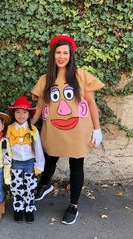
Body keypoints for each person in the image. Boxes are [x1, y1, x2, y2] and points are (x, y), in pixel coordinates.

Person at [31, 34, 104, 225]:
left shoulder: (81, 75)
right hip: (54, 128)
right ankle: (45, 184)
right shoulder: (46, 78)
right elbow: (39, 107)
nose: (62, 56)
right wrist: (28, 125)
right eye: (58, 52)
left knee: (76, 165)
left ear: (71, 55)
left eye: (65, 52)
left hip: (78, 130)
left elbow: (91, 104)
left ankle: (73, 205)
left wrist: (97, 129)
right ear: (53, 55)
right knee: (49, 159)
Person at [7, 96, 45, 223]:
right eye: (18, 112)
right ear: (14, 113)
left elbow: (38, 147)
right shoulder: (9, 129)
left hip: (29, 162)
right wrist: (6, 164)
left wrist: (39, 165)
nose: (21, 115)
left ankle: (29, 208)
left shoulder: (32, 130)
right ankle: (18, 208)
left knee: (30, 186)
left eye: (24, 112)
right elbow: (6, 148)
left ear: (29, 114)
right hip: (16, 162)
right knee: (17, 186)